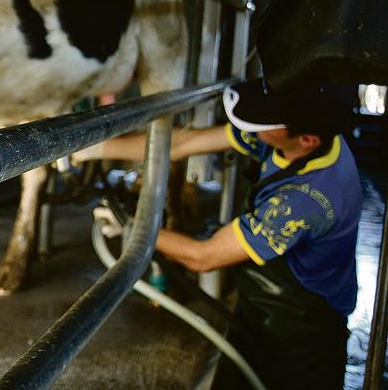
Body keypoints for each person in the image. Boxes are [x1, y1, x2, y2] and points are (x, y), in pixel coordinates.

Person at [79, 78, 361, 390]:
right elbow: (182, 143)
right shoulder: (306, 134)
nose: (253, 126)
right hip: (267, 310)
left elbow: (203, 257)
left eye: (265, 122)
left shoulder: (304, 201)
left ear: (307, 140)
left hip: (302, 336)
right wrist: (92, 148)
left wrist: (131, 226)